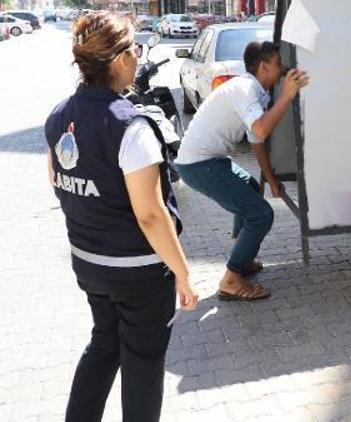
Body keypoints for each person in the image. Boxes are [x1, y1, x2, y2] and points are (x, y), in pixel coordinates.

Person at [44, 12, 199, 422]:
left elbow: (58, 181)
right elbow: (150, 215)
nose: (139, 56)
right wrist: (181, 273)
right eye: (135, 49)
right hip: (139, 274)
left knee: (104, 344)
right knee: (143, 363)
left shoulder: (59, 115)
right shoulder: (130, 126)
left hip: (90, 263)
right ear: (117, 60)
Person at [174, 41, 309, 302]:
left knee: (249, 185)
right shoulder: (246, 88)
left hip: (208, 160)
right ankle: (231, 279)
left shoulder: (257, 92)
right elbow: (260, 130)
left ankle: (242, 257)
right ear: (263, 66)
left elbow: (256, 142)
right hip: (199, 164)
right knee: (261, 214)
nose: (281, 70)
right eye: (277, 64)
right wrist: (287, 95)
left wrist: (271, 181)